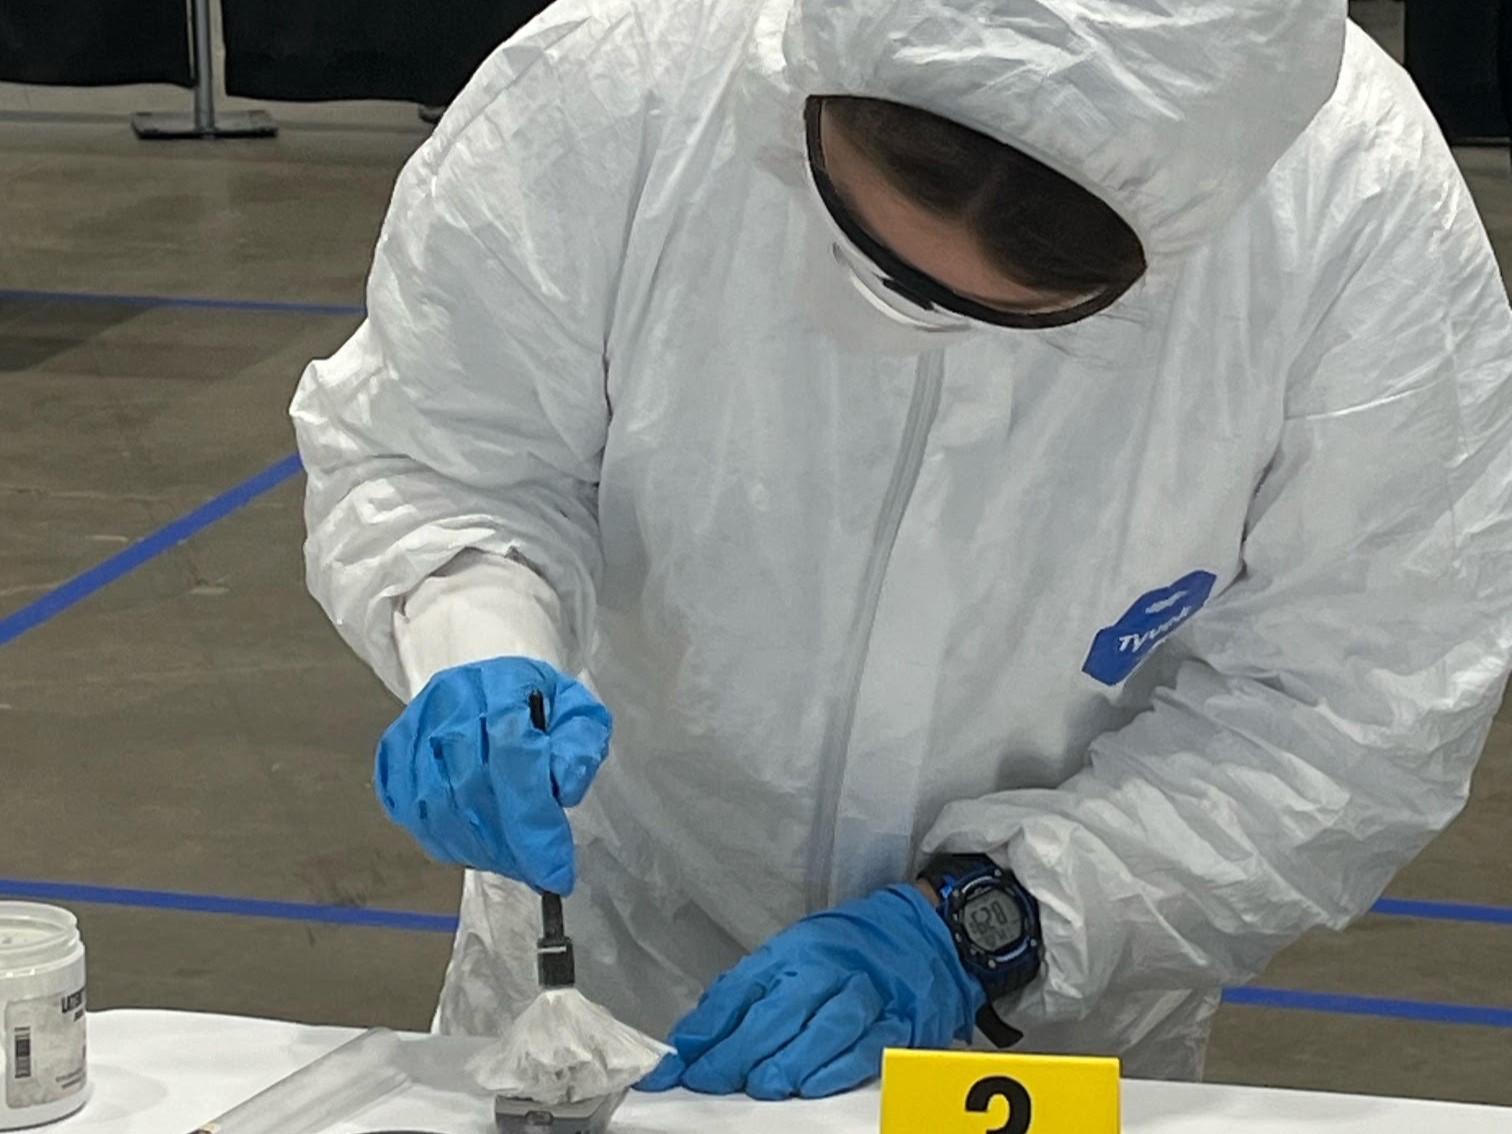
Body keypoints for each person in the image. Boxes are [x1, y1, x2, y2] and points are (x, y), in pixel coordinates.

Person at [291, 0, 1512, 1100]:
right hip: (609, 966)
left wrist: (992, 926)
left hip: (1029, 1027)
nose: (906, 314)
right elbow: (447, 447)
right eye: (862, 241)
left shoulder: (1352, 210)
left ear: (1180, 222)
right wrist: (474, 636)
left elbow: (1351, 702)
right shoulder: (631, 73)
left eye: (998, 312)